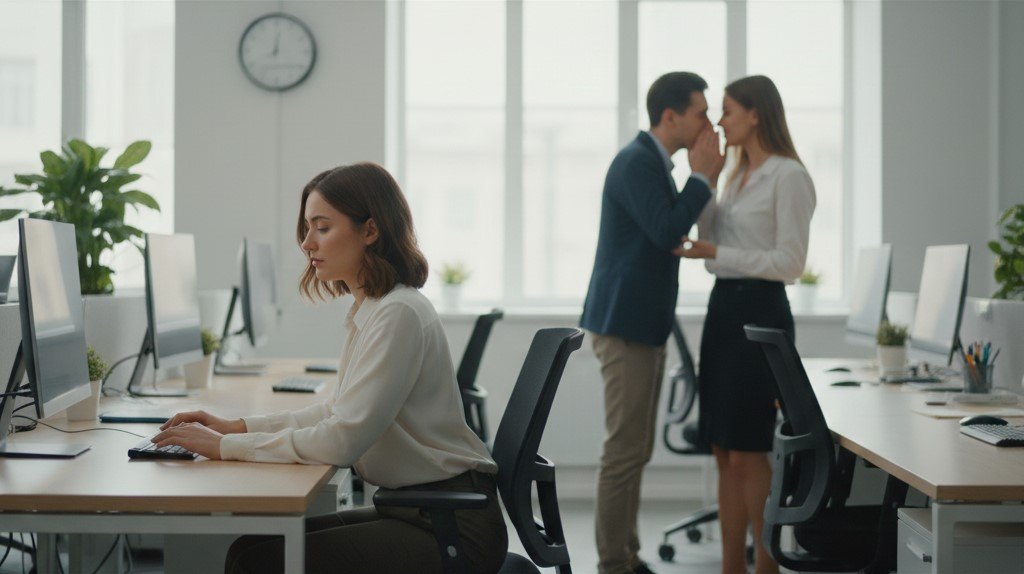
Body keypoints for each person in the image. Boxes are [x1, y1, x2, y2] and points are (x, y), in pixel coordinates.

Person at [152, 162, 508, 574]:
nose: (306, 244)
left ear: (370, 231)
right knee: (249, 551)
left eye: (321, 228)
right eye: (306, 228)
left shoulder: (398, 313)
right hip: (422, 509)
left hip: (452, 529)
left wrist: (224, 448)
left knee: (259, 563)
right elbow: (337, 411)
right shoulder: (374, 308)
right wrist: (239, 427)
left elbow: (342, 441)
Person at [580, 71, 724, 574]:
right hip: (624, 327)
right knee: (624, 452)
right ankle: (613, 564)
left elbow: (661, 232)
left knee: (635, 451)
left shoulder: (651, 163)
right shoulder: (637, 162)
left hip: (641, 324)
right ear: (671, 117)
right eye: (701, 113)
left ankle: (627, 555)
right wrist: (703, 178)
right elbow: (666, 228)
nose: (708, 123)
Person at [677, 75, 816, 574]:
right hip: (724, 313)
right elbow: (709, 246)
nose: (719, 120)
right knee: (722, 449)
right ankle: (730, 565)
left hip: (761, 316)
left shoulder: (788, 176)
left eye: (729, 110)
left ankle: (767, 565)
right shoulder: (733, 176)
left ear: (757, 114)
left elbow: (790, 263)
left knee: (749, 451)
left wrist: (716, 251)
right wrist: (705, 177)